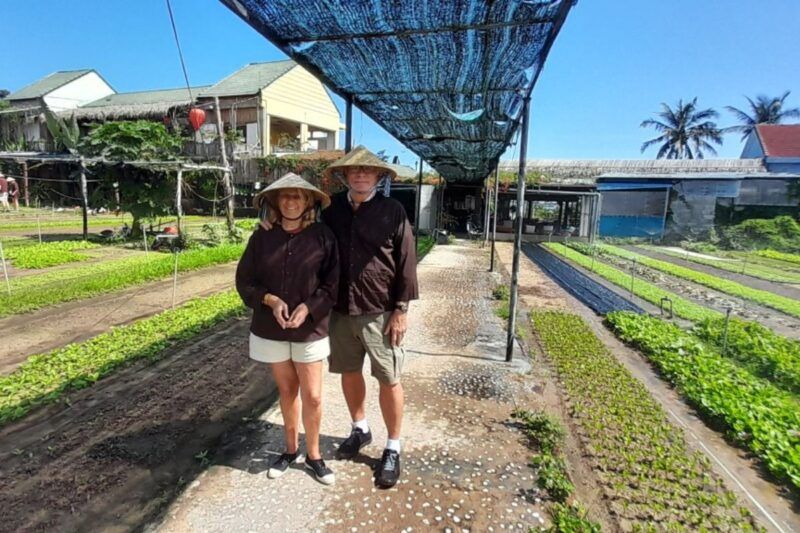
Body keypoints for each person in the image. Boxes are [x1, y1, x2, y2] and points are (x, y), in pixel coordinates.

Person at [321, 146, 419, 488]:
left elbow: (406, 261)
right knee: (348, 371)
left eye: (368, 171)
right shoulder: (331, 208)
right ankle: (359, 428)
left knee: (389, 377)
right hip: (340, 309)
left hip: (379, 309)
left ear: (378, 176)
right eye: (354, 171)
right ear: (346, 175)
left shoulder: (393, 211)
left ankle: (393, 446)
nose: (360, 175)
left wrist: (401, 310)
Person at [236, 172, 339, 485]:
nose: (291, 202)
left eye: (298, 196)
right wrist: (270, 300)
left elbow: (332, 283)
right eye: (285, 196)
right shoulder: (262, 237)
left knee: (314, 396)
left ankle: (315, 454)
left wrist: (308, 307)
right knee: (287, 390)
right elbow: (245, 281)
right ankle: (290, 449)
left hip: (310, 328)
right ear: (275, 202)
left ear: (308, 201)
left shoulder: (323, 236)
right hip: (272, 327)